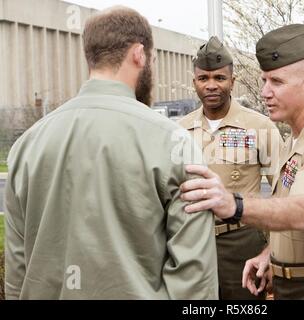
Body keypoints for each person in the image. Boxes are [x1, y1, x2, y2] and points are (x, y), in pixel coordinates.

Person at [4, 6, 218, 300]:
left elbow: (18, 272)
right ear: (139, 54)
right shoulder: (174, 143)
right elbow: (195, 279)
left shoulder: (25, 146)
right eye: (152, 59)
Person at [180, 24, 304, 300]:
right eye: (264, 80)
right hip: (289, 283)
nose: (265, 91)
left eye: (276, 82)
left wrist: (233, 204)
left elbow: (300, 212)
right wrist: (270, 255)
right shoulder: (296, 140)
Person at [178, 36, 281, 300]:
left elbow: (285, 192)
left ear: (232, 81)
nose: (211, 86)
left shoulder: (260, 127)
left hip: (241, 242)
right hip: (191, 245)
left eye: (219, 78)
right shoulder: (178, 131)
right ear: (195, 83)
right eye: (204, 79)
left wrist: (272, 250)